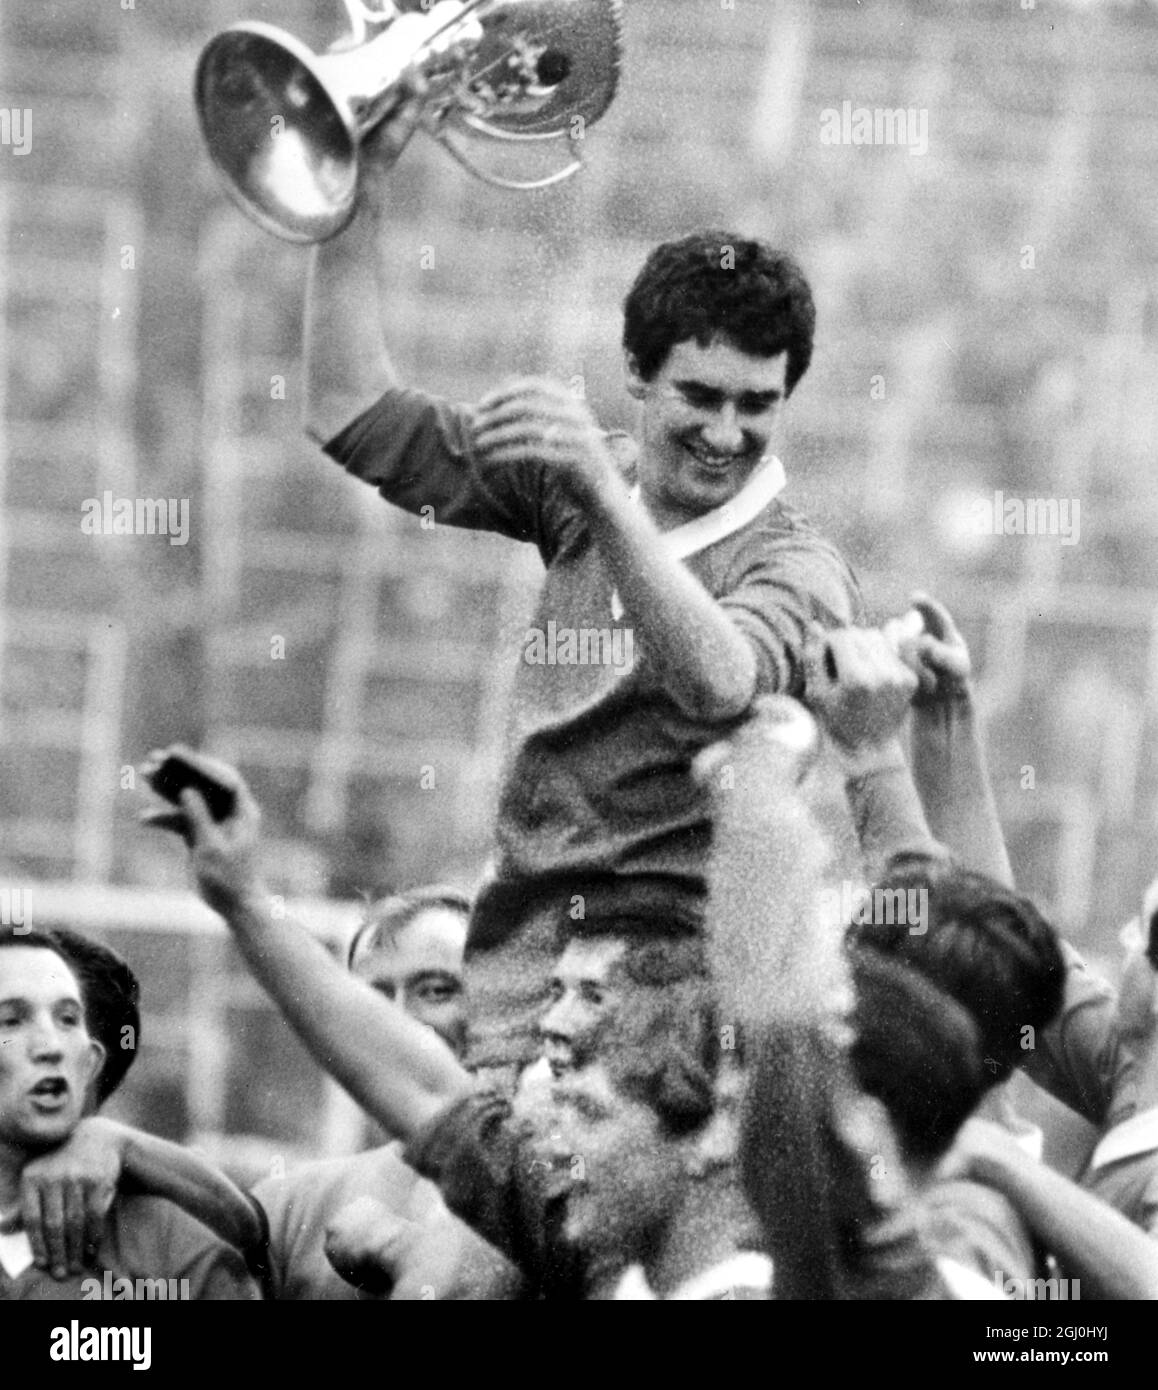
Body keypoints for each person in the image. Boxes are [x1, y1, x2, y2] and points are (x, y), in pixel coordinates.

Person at [304, 151, 865, 1072]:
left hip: (666, 1029)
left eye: (757, 405)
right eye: (700, 395)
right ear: (637, 374)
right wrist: (347, 194)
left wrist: (603, 495)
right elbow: (348, 413)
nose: (726, 434)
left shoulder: (797, 563)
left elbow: (722, 679)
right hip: (518, 992)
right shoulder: (580, 483)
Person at [0, 928, 258, 1300]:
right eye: (11, 1020)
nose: (51, 1045)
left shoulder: (177, 1256)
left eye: (68, 1018)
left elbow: (250, 1229)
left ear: (90, 1064)